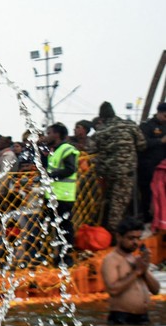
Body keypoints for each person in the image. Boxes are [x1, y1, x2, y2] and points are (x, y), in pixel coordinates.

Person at [87, 101, 146, 232]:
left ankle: (109, 229)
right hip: (126, 171)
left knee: (110, 201)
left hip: (107, 172)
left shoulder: (100, 131)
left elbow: (90, 150)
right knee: (119, 203)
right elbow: (142, 145)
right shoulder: (129, 125)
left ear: (101, 117)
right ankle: (114, 234)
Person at [101, 217, 159, 325]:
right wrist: (137, 272)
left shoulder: (136, 259)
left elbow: (156, 290)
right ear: (119, 237)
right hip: (122, 318)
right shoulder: (111, 260)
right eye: (131, 238)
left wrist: (144, 270)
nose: (136, 242)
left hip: (142, 318)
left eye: (138, 238)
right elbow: (113, 290)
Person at [44, 123, 79, 262]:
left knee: (64, 226)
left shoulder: (67, 149)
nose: (47, 136)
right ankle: (59, 254)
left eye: (49, 133)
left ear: (57, 134)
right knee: (57, 227)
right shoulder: (55, 150)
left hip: (63, 195)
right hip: (54, 194)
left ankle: (67, 256)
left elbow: (71, 169)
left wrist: (51, 175)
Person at [138, 102, 166, 222]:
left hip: (163, 168)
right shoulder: (147, 126)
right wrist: (160, 141)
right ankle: (147, 219)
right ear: (159, 113)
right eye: (165, 115)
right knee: (148, 195)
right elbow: (142, 144)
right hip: (148, 167)